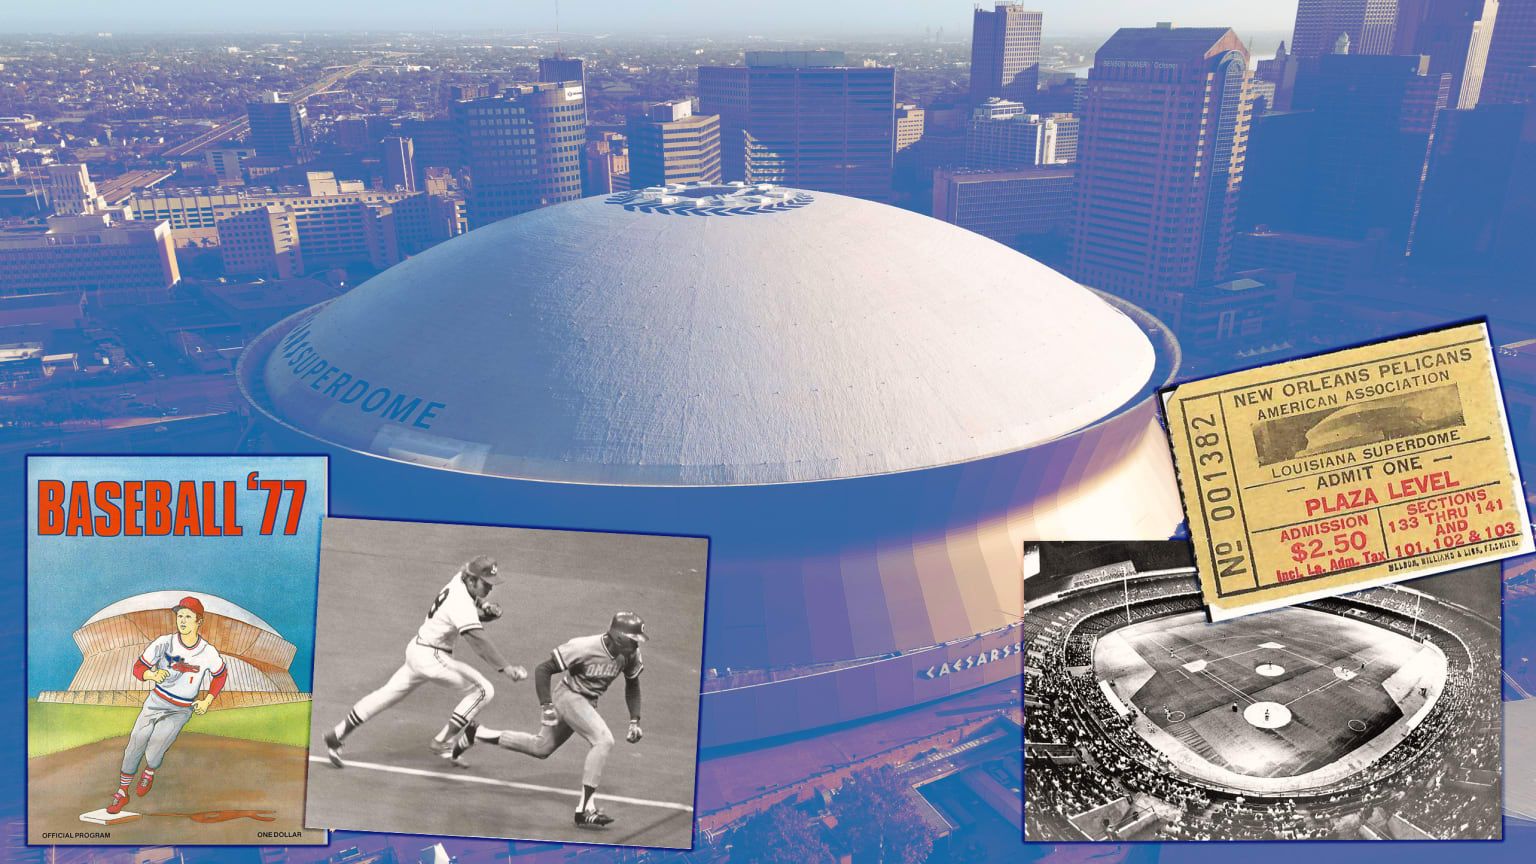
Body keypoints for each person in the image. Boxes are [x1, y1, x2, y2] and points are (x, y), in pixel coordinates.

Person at [323, 555, 526, 768]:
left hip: (418, 649)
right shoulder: (460, 603)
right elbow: (479, 641)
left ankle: (336, 735)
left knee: (385, 695)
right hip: (433, 657)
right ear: (471, 580)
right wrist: (506, 668)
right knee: (484, 690)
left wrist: (485, 608)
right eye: (486, 584)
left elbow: (470, 609)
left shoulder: (460, 579)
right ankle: (443, 741)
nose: (489, 589)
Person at [454, 611, 648, 829]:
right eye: (633, 640)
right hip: (568, 696)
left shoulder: (631, 655)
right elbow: (544, 669)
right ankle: (585, 809)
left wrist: (635, 720)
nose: (636, 645)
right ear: (619, 637)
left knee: (541, 748)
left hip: (586, 702)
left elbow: (633, 684)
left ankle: (478, 734)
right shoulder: (583, 647)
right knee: (603, 741)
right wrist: (546, 705)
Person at [106, 596, 226, 815]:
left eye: (188, 617)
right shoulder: (164, 642)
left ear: (199, 621)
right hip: (156, 701)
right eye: (180, 615)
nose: (182, 620)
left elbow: (220, 674)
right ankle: (122, 792)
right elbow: (138, 667)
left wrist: (208, 700)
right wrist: (151, 673)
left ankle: (149, 772)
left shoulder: (207, 652)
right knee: (135, 744)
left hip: (180, 710)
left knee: (153, 752)